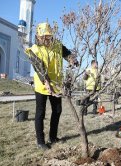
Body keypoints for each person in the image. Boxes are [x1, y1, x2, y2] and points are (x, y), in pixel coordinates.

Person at [25, 22, 77, 150]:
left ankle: (52, 137)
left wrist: (72, 59)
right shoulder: (34, 50)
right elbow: (39, 69)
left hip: (57, 84)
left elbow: (67, 53)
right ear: (38, 36)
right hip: (42, 86)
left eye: (48, 36)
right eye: (43, 37)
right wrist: (46, 83)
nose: (45, 39)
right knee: (40, 113)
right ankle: (40, 141)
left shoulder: (57, 45)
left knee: (57, 110)